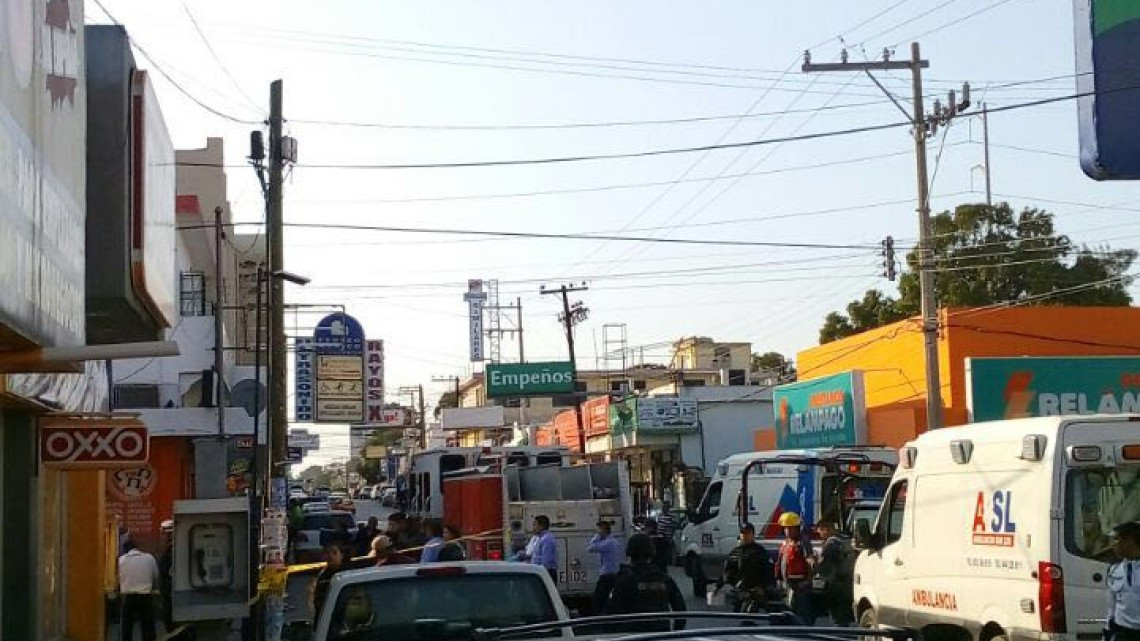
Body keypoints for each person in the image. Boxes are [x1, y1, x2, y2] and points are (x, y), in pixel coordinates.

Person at [606, 533, 687, 632]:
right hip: (660, 634)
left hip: (633, 634)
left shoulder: (624, 580)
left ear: (629, 552)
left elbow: (611, 614)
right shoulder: (664, 579)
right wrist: (675, 633)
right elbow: (680, 609)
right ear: (651, 552)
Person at [723, 523, 777, 612]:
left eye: (748, 533)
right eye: (743, 533)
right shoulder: (736, 552)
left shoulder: (760, 552)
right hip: (741, 591)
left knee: (750, 613)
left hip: (757, 590)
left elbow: (768, 571)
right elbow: (727, 572)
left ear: (753, 535)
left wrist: (762, 587)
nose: (745, 536)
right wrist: (734, 583)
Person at [775, 512, 816, 625]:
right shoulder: (786, 543)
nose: (787, 531)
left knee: (802, 615)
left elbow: (810, 561)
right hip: (788, 585)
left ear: (796, 528)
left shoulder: (803, 542)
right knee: (790, 614)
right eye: (785, 528)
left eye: (789, 528)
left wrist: (807, 581)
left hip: (800, 586)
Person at [118, 539, 160, 641]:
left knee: (127, 626)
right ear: (137, 547)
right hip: (145, 596)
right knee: (148, 626)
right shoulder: (149, 558)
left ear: (125, 550)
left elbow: (119, 577)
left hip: (129, 597)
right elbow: (156, 575)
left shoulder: (121, 560)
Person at [816, 521, 855, 626]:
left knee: (837, 617)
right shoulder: (847, 540)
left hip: (836, 585)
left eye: (820, 532)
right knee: (846, 616)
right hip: (850, 583)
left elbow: (824, 566)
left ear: (826, 529)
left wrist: (816, 565)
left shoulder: (831, 544)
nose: (820, 535)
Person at [1106, 522, 1140, 641]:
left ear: (1129, 541)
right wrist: (1107, 632)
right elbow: (1112, 605)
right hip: (1122, 632)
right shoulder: (1115, 570)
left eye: (1116, 540)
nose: (1113, 545)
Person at [587, 520, 623, 613]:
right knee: (605, 597)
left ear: (603, 530)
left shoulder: (608, 543)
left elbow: (591, 548)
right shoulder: (613, 541)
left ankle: (600, 616)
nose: (597, 532)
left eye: (599, 530)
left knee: (599, 598)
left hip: (607, 575)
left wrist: (597, 536)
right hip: (612, 573)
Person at [311, 543, 347, 624]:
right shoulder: (323, 576)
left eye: (334, 553)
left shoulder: (347, 573)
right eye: (328, 553)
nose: (331, 556)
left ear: (341, 555)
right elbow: (317, 601)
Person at [520, 515, 558, 583]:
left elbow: (546, 562)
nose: (533, 528)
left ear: (541, 526)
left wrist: (540, 575)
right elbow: (536, 556)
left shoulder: (547, 539)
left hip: (546, 573)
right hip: (540, 572)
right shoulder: (539, 538)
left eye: (534, 525)